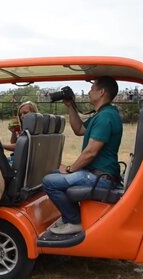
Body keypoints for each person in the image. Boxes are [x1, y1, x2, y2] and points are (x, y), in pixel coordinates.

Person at [42, 76, 123, 235]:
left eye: (92, 89)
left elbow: (91, 152)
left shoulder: (106, 116)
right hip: (97, 173)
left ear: (101, 92)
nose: (88, 92)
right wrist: (70, 106)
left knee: (49, 182)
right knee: (54, 174)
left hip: (100, 178)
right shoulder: (103, 114)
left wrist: (71, 169)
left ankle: (74, 221)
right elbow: (79, 129)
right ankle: (69, 217)